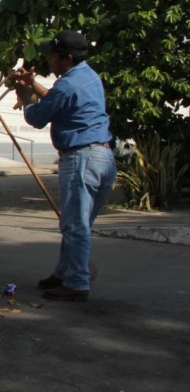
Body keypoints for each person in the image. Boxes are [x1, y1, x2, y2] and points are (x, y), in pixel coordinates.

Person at [13, 30, 117, 302]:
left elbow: (38, 116)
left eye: (53, 55)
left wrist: (24, 95)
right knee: (76, 223)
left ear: (67, 58)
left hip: (81, 158)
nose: (49, 59)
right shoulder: (87, 77)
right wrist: (33, 84)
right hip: (102, 158)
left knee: (75, 226)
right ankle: (64, 273)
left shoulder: (68, 85)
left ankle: (77, 283)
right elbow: (56, 98)